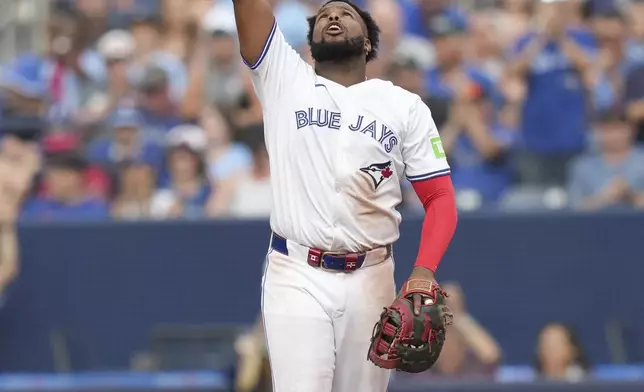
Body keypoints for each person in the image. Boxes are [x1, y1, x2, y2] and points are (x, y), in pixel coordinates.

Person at [232, 1, 458, 391]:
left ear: (370, 44)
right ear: (310, 44)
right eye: (323, 16)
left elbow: (440, 198)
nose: (333, 16)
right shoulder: (284, 77)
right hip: (297, 270)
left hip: (371, 276)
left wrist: (423, 272)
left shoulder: (404, 106)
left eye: (346, 13)